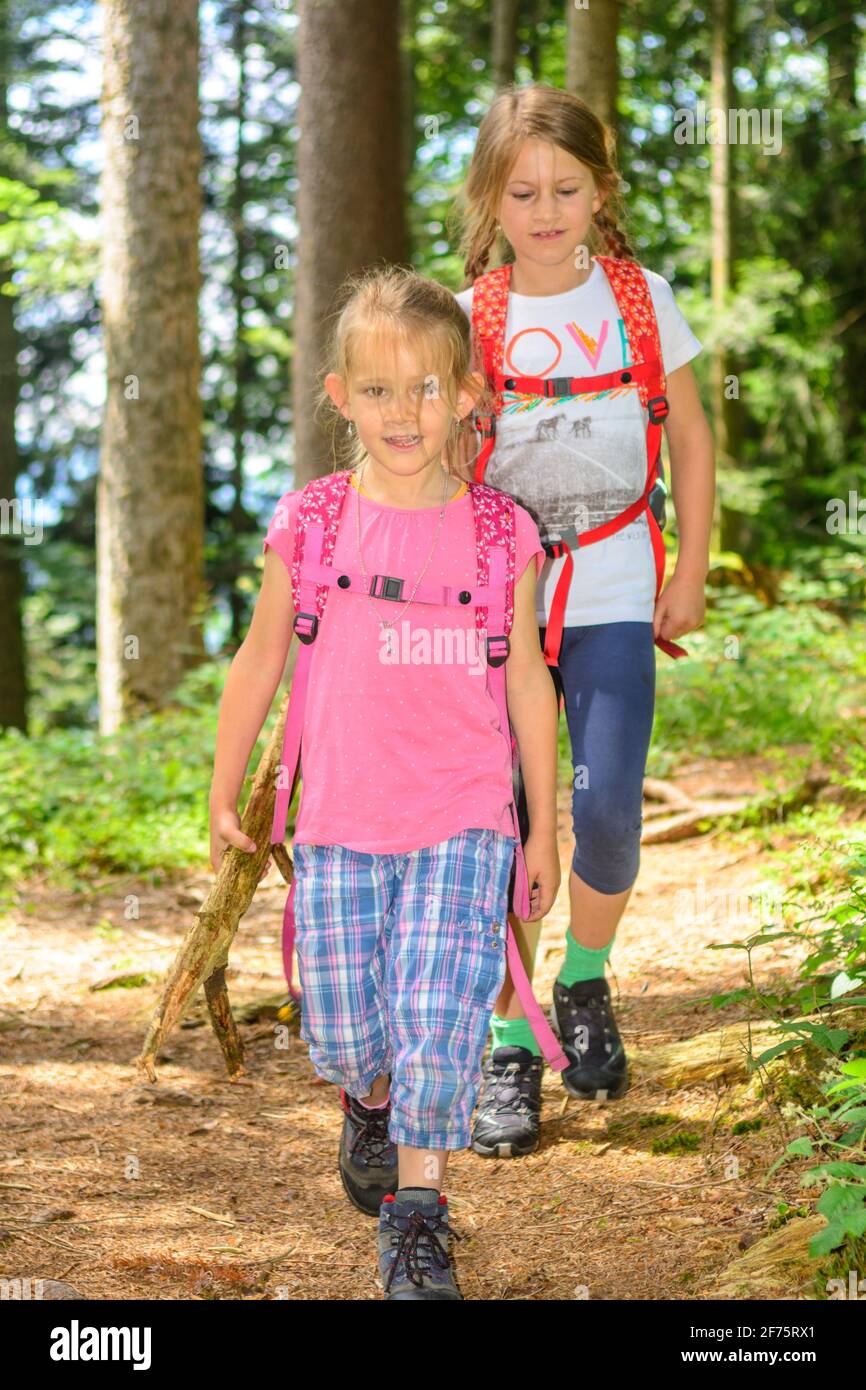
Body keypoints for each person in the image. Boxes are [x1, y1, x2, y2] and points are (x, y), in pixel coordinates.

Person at [208, 266, 561, 1299]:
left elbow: (530, 685)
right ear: (337, 394)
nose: (399, 412)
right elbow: (258, 659)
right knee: (349, 1023)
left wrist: (540, 831)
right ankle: (366, 1096)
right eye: (375, 389)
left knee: (435, 1007)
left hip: (463, 814)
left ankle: (416, 1218)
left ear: (464, 395)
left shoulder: (502, 534)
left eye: (422, 389)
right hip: (338, 821)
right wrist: (225, 790)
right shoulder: (312, 525)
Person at [449, 84, 715, 1157]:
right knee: (510, 823)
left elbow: (688, 438)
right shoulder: (468, 317)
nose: (545, 208)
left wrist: (688, 564)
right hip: (499, 607)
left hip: (609, 587)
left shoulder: (640, 299)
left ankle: (586, 978)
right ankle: (508, 1040)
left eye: (566, 187)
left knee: (603, 810)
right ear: (490, 200)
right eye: (522, 191)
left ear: (599, 192)